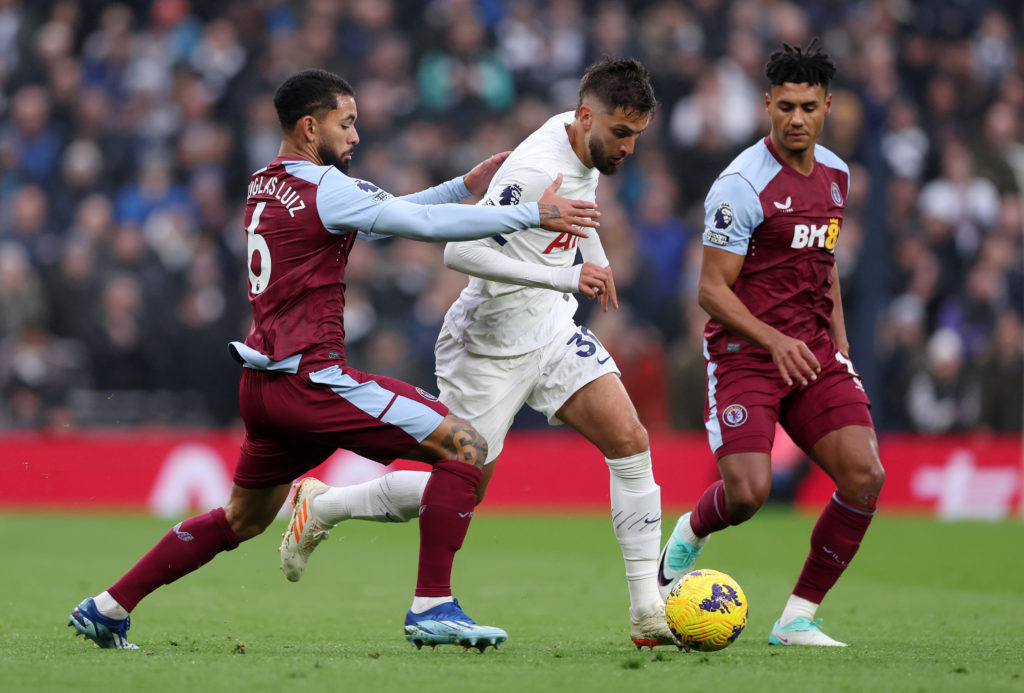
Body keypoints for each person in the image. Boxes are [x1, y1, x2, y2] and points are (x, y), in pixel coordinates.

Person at [67, 68, 598, 651]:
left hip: (263, 385)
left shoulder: (264, 183)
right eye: (346, 124)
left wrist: (459, 185)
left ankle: (108, 606)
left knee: (241, 519)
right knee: (466, 447)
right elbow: (412, 224)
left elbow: (380, 217)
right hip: (312, 381)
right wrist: (529, 214)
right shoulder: (326, 188)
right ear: (309, 125)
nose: (355, 137)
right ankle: (432, 607)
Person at [279, 57, 681, 651]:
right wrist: (570, 280)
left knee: (630, 441)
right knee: (462, 487)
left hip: (548, 330)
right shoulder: (533, 169)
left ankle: (648, 611)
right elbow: (458, 256)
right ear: (588, 116)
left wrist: (594, 257)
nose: (627, 148)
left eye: (636, 137)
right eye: (621, 135)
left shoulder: (583, 141)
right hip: (487, 344)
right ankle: (326, 505)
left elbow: (584, 200)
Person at [657, 40, 885, 647]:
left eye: (808, 107)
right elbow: (710, 290)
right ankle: (688, 535)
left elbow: (824, 266)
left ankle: (798, 618)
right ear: (766, 105)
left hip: (812, 352)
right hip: (745, 355)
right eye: (785, 106)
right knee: (749, 494)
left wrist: (838, 347)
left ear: (828, 106)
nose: (796, 119)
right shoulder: (740, 184)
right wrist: (774, 339)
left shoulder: (837, 175)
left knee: (864, 476)